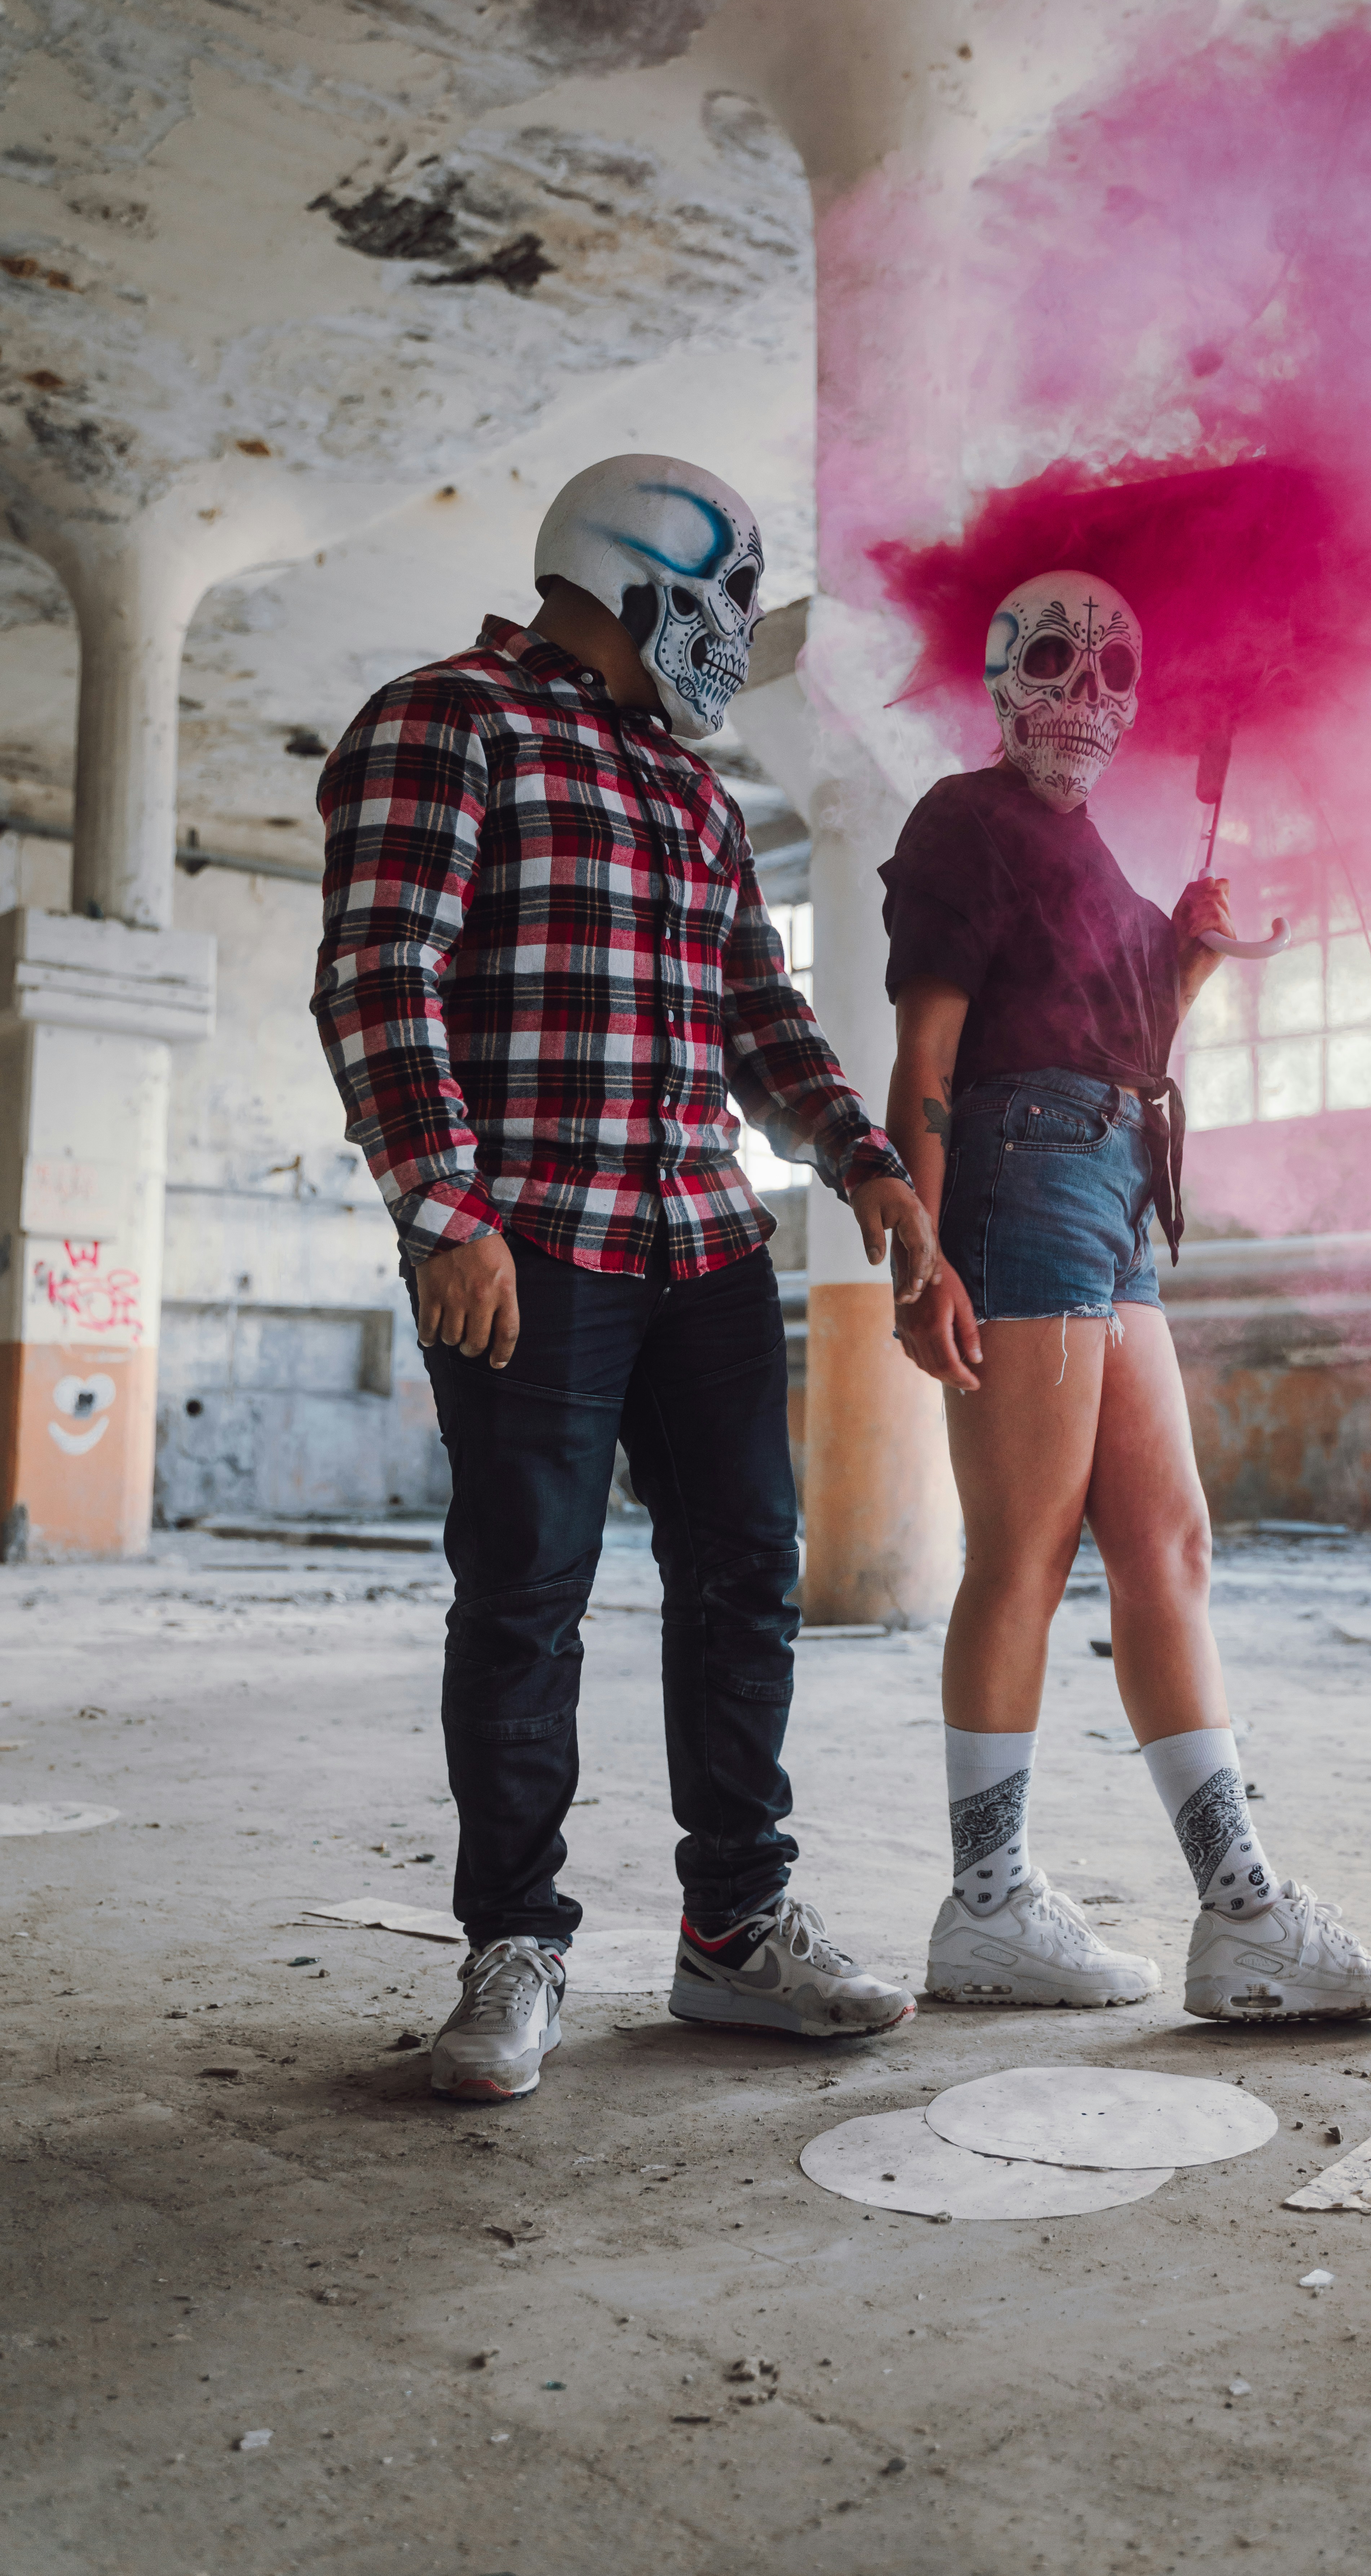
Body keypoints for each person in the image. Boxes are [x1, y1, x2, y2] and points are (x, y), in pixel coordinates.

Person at [313, 452, 935, 2102]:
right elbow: (380, 970)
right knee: (526, 1595)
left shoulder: (693, 793)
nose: (737, 629)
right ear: (641, 577)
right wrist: (443, 1210)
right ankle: (515, 1944)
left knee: (747, 1575)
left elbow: (759, 1013)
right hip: (529, 1242)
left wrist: (863, 1159)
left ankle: (734, 1929)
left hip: (704, 1241)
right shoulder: (449, 720)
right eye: (731, 596)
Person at [881, 567, 1371, 2022]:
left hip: (1115, 1184)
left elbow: (1122, 1045)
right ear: (1001, 678)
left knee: (1169, 1545)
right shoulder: (963, 821)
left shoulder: (1098, 862)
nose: (1085, 695)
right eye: (1053, 661)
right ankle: (986, 1907)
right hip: (1023, 1169)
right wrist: (916, 1250)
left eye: (1114, 670)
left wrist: (1182, 960)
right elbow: (929, 1053)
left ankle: (1243, 1914)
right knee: (1025, 1549)